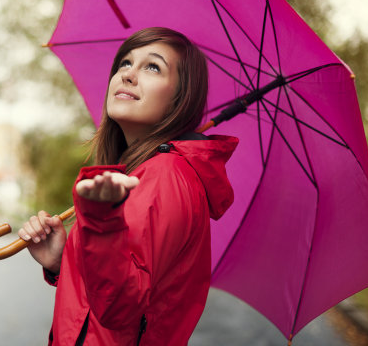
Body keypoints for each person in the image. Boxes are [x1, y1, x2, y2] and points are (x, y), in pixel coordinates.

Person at [18, 27, 238, 345]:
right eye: (125, 63)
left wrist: (101, 220)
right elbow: (113, 292)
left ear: (181, 97)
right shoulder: (145, 171)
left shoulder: (166, 176)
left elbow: (120, 307)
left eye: (153, 67)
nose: (128, 75)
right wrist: (63, 260)